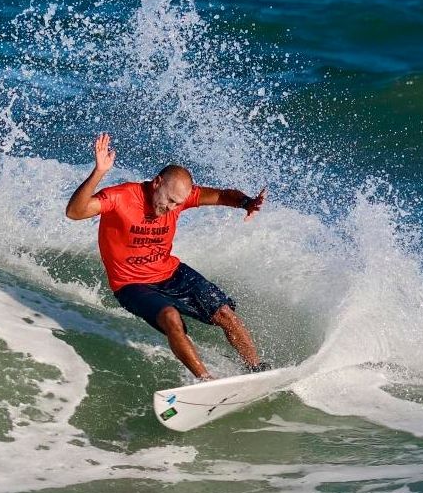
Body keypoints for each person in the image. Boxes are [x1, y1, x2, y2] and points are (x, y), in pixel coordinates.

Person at [65, 132, 270, 380]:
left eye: (178, 204)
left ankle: (256, 369)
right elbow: (75, 212)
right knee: (171, 317)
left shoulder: (180, 197)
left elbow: (223, 195)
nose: (172, 209)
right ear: (157, 183)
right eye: (170, 201)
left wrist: (247, 202)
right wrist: (98, 173)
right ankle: (206, 381)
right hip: (131, 284)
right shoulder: (120, 197)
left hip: (170, 272)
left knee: (225, 313)